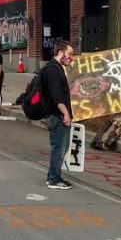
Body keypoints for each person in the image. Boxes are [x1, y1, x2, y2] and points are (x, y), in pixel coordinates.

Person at [41, 39, 75, 190]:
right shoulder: (53, 70)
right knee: (59, 147)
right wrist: (66, 114)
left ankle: (53, 176)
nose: (71, 58)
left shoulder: (56, 68)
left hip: (57, 114)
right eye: (69, 54)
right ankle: (54, 178)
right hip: (56, 115)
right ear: (60, 52)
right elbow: (56, 96)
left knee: (62, 146)